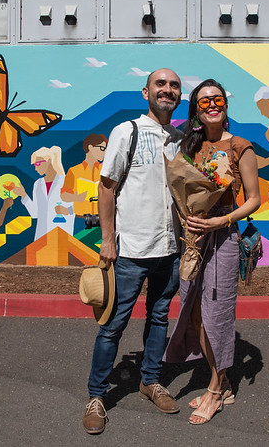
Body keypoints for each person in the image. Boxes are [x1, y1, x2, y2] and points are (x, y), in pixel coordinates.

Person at [83, 68, 184, 435]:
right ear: (146, 92)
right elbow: (106, 187)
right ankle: (96, 395)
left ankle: (150, 381)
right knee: (112, 325)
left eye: (174, 86)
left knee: (159, 318)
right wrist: (108, 240)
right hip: (130, 249)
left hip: (170, 248)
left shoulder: (180, 138)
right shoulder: (127, 131)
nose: (167, 90)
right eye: (161, 84)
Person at [162, 79, 261, 425]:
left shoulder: (240, 148)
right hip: (195, 239)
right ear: (196, 111)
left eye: (217, 99)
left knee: (217, 314)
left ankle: (215, 391)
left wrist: (223, 222)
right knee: (194, 314)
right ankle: (225, 380)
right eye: (204, 102)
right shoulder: (191, 147)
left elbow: (254, 199)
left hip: (224, 239)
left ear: (226, 105)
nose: (212, 105)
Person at [13, 146, 75, 241]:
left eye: (37, 164)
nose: (35, 168)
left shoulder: (67, 181)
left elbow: (78, 208)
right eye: (34, 165)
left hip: (62, 235)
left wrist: (66, 211)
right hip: (41, 237)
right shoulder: (38, 184)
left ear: (49, 161)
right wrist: (24, 195)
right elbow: (35, 213)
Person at [61, 133, 108, 219]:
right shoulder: (74, 171)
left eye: (105, 149)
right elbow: (64, 195)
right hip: (80, 218)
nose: (104, 152)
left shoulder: (105, 171)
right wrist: (76, 197)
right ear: (90, 147)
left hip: (103, 218)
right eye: (102, 148)